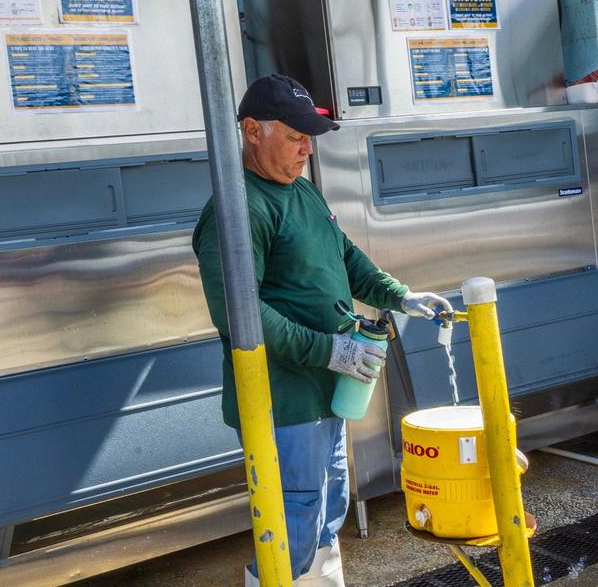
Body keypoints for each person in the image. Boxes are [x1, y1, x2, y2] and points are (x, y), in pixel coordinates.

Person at [192, 74, 452, 586]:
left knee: (328, 502)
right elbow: (240, 316)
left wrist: (399, 295)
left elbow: (346, 257)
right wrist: (328, 350)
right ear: (252, 131)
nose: (306, 150)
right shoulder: (238, 208)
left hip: (329, 389)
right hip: (283, 398)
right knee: (292, 517)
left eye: (309, 138)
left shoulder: (303, 192)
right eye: (294, 137)